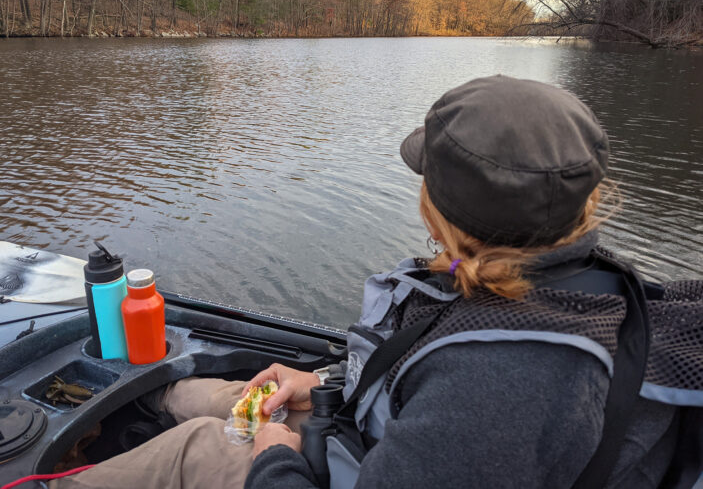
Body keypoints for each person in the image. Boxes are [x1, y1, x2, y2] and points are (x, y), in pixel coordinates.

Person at [52, 75, 702, 489]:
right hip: (377, 435)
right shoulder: (559, 275)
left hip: (352, 465)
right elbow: (422, 376)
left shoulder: (504, 379)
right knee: (192, 394)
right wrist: (329, 384)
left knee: (201, 444)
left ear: (440, 206)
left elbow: (464, 409)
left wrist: (272, 459)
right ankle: (122, 430)